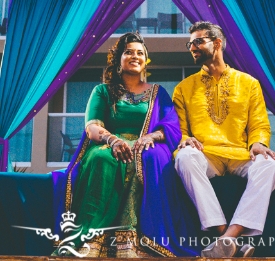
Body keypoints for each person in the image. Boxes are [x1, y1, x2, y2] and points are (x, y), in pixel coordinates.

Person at [53, 32, 197, 257]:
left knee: (145, 158)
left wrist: (150, 138)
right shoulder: (102, 91)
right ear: (118, 59)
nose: (135, 56)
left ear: (145, 60)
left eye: (140, 53)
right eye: (129, 52)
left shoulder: (158, 93)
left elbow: (171, 127)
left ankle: (128, 239)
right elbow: (92, 127)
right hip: (109, 143)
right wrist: (113, 140)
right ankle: (93, 238)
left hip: (143, 144)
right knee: (102, 158)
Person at [173, 21, 275, 258]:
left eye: (198, 41)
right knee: (184, 157)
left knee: (269, 165)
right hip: (206, 155)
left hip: (240, 154)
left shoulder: (249, 83)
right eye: (189, 43)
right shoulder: (183, 88)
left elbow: (259, 124)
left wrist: (258, 142)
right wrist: (184, 139)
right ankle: (228, 235)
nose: (192, 47)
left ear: (218, 43)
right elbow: (179, 129)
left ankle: (227, 239)